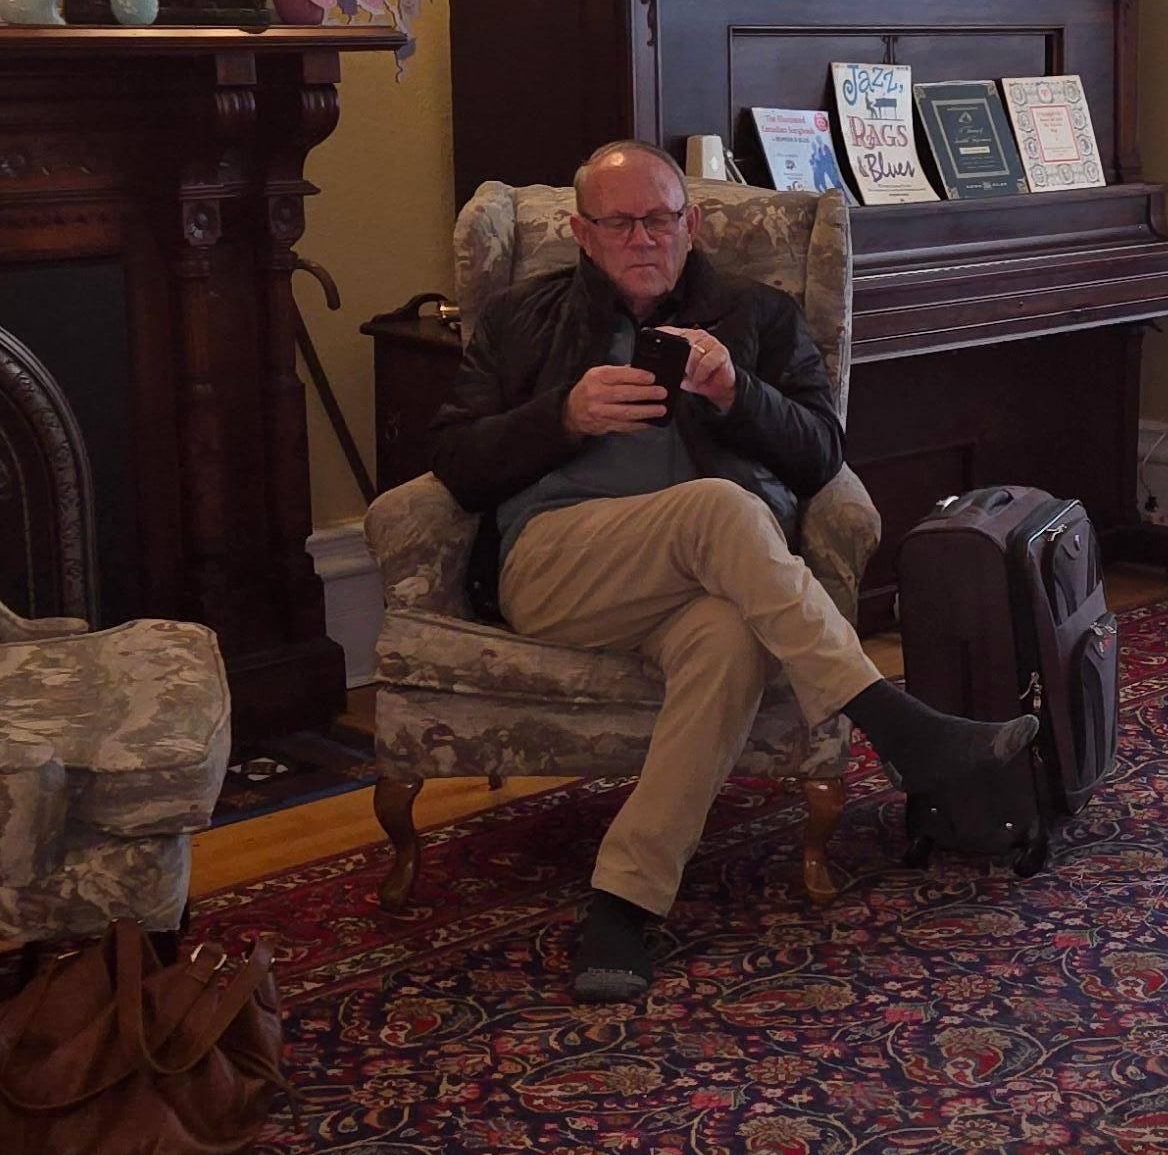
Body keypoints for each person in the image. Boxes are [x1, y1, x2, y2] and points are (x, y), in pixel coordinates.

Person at [427, 142, 1033, 1000]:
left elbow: (824, 457)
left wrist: (736, 393)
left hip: (709, 579)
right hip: (558, 565)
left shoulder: (758, 317)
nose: (645, 238)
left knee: (728, 639)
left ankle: (623, 903)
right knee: (720, 508)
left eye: (662, 218)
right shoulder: (523, 319)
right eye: (620, 222)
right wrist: (559, 418)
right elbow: (453, 463)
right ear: (581, 233)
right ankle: (895, 723)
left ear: (693, 223)